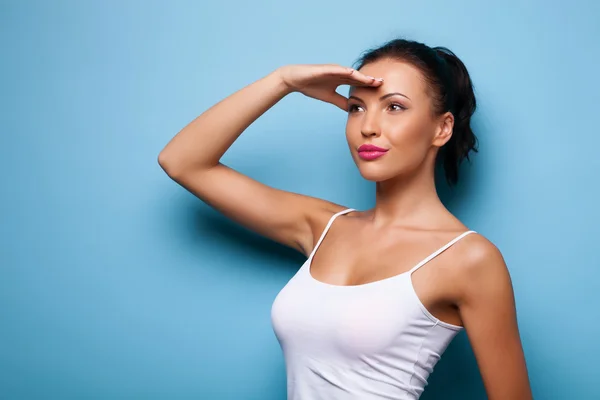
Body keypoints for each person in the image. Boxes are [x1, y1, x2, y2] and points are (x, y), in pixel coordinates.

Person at [158, 38, 533, 399]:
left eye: (394, 107)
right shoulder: (323, 226)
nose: (368, 126)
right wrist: (283, 81)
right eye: (356, 107)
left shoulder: (469, 259)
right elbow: (183, 162)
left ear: (442, 128)